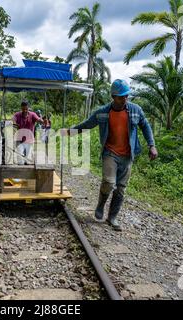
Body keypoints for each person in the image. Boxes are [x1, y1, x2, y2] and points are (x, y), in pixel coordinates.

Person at [66, 79, 158, 231]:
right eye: (121, 97)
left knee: (121, 188)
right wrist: (70, 131)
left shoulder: (136, 110)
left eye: (126, 96)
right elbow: (87, 124)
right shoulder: (103, 112)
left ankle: (112, 217)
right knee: (109, 183)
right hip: (110, 153)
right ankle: (101, 204)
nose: (125, 99)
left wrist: (152, 145)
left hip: (128, 156)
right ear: (113, 97)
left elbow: (145, 126)